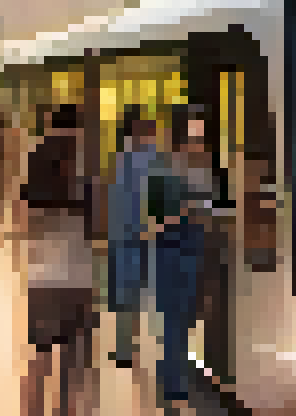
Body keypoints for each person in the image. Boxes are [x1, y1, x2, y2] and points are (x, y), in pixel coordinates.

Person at [22, 105, 98, 416]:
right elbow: (98, 224)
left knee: (40, 352)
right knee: (73, 355)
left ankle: (33, 410)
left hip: (42, 271)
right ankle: (64, 410)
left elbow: (25, 217)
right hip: (76, 270)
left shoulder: (36, 156)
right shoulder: (83, 163)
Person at [149, 115, 220, 415]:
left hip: (188, 244)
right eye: (194, 135)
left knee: (182, 313)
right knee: (175, 314)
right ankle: (173, 381)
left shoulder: (193, 170)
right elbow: (156, 214)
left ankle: (174, 375)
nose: (198, 142)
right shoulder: (166, 171)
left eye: (200, 135)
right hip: (176, 245)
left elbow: (210, 207)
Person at [105, 116, 161, 370]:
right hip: (146, 237)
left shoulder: (123, 160)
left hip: (126, 237)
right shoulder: (156, 160)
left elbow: (114, 198)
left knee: (127, 298)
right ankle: (152, 349)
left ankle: (127, 348)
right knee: (148, 295)